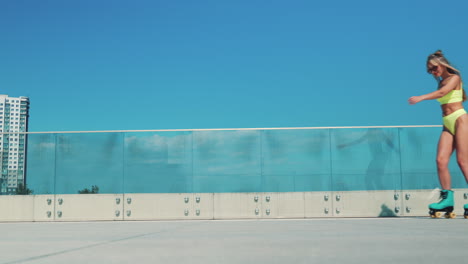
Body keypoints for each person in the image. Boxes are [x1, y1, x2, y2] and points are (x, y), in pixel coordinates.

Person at [408, 50, 468, 218]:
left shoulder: (454, 78)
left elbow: (442, 94)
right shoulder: (440, 82)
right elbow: (440, 92)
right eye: (429, 70)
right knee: (440, 160)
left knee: (463, 161)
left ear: (442, 65)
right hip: (447, 122)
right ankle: (447, 199)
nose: (432, 72)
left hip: (460, 119)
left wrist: (421, 97)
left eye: (434, 68)